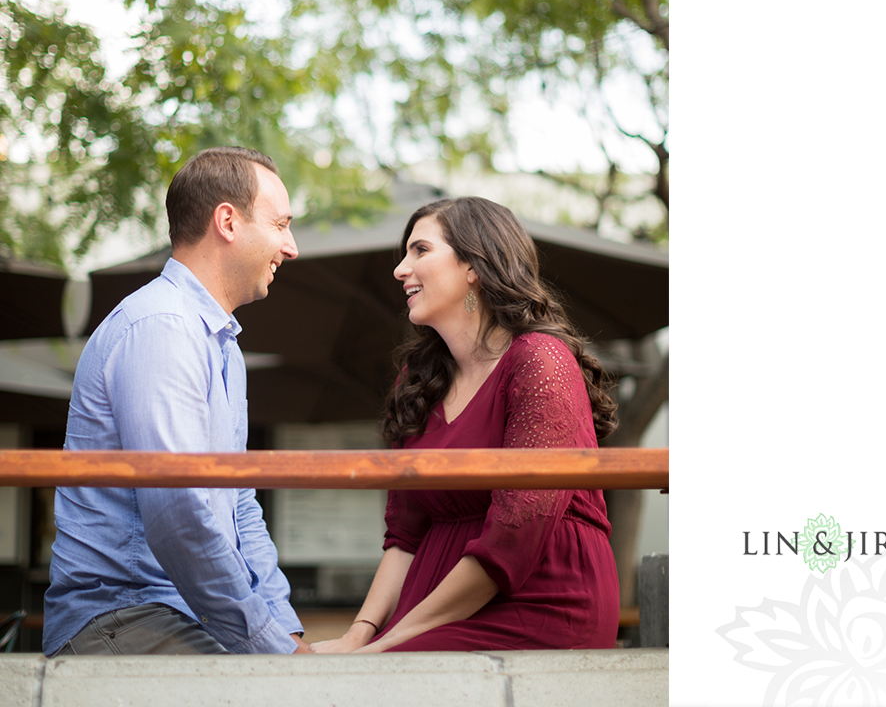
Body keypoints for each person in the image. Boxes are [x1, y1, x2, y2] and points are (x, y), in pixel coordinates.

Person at [312, 197, 620, 654]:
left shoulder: (539, 360)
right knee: (335, 664)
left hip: (539, 598)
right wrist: (359, 633)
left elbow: (517, 534)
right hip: (431, 605)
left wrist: (388, 644)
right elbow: (404, 535)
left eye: (420, 251)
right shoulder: (420, 382)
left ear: (474, 265)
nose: (400, 269)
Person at [43, 147, 311, 656]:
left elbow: (240, 505)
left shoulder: (221, 344)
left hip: (182, 612)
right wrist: (271, 648)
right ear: (227, 222)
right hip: (123, 613)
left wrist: (285, 628)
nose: (291, 246)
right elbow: (179, 514)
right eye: (280, 225)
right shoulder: (162, 327)